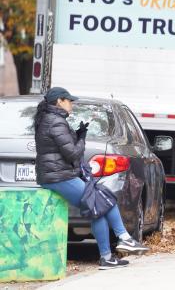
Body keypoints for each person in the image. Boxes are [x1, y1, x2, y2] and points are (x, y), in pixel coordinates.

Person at [35, 87, 148, 270]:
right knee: (101, 199)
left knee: (98, 207)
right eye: (69, 100)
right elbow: (72, 153)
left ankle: (107, 257)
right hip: (59, 177)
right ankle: (124, 238)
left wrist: (77, 136)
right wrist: (81, 138)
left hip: (58, 175)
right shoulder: (56, 122)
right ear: (59, 101)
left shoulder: (50, 119)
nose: (71, 104)